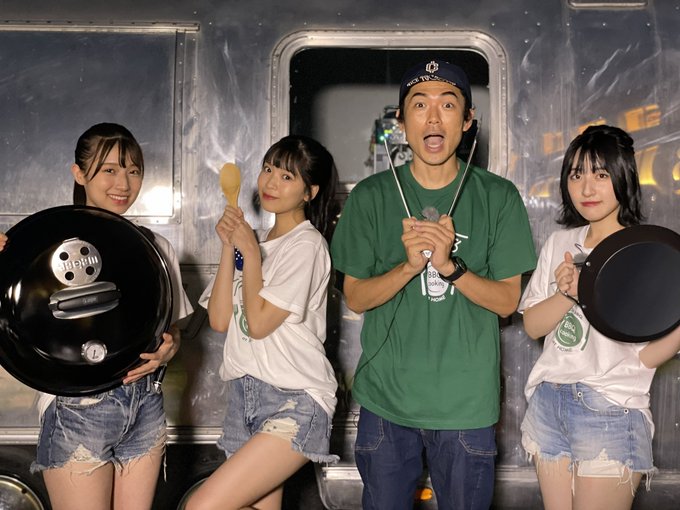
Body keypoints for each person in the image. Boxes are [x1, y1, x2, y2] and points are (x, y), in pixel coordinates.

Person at [330, 60, 537, 510]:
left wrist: (450, 267)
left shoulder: (498, 197)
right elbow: (356, 297)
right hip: (386, 403)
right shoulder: (370, 197)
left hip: (466, 406)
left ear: (467, 120)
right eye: (420, 105)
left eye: (448, 104)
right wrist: (408, 267)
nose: (434, 117)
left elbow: (506, 302)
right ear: (401, 122)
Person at [0, 122, 193, 510]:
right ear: (79, 173)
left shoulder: (155, 247)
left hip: (146, 405)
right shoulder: (39, 247)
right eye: (110, 169)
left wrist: (169, 347)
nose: (124, 183)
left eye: (133, 170)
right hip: (78, 410)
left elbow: (171, 328)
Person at [519, 124, 680, 510]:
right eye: (576, 175)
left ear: (624, 177)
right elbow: (533, 325)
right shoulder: (560, 243)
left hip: (610, 406)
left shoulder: (645, 252)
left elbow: (645, 356)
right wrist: (566, 294)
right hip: (548, 400)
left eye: (601, 174)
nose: (587, 188)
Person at [186, 134, 339, 510]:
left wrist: (251, 254)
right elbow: (220, 320)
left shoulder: (307, 246)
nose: (271, 182)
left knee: (200, 506)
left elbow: (258, 324)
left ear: (310, 192)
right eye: (268, 169)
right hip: (245, 398)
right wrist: (230, 245)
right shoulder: (252, 241)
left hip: (294, 400)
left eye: (287, 176)